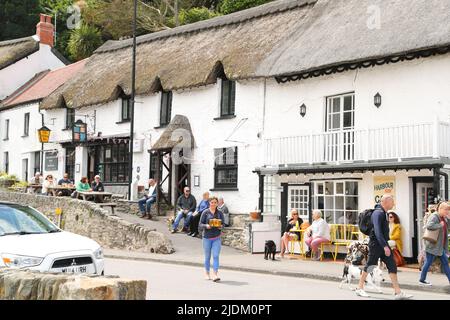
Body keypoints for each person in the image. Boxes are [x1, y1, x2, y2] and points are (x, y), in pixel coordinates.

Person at [356, 194, 413, 299]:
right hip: (376, 244)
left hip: (382, 243)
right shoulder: (378, 213)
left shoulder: (384, 213)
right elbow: (377, 232)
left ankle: (398, 292)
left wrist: (385, 245)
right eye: (392, 201)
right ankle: (360, 288)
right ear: (386, 201)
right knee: (370, 266)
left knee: (392, 265)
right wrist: (385, 246)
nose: (393, 203)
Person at [419, 201, 450, 286]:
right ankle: (422, 279)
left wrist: (448, 218)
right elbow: (429, 226)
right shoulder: (435, 216)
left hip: (439, 246)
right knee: (429, 262)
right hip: (433, 245)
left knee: (445, 263)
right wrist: (439, 225)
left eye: (448, 210)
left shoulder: (443, 217)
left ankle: (422, 279)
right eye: (446, 209)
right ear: (440, 209)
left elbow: (448, 227)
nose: (447, 211)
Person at [198, 196, 224, 281]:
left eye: (215, 202)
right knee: (207, 257)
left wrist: (221, 226)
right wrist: (206, 226)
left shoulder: (220, 213)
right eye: (212, 202)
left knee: (216, 256)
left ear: (217, 203)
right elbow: (200, 224)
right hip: (207, 238)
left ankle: (215, 274)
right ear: (209, 203)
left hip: (217, 237)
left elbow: (223, 224)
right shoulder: (205, 212)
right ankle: (207, 273)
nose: (213, 204)